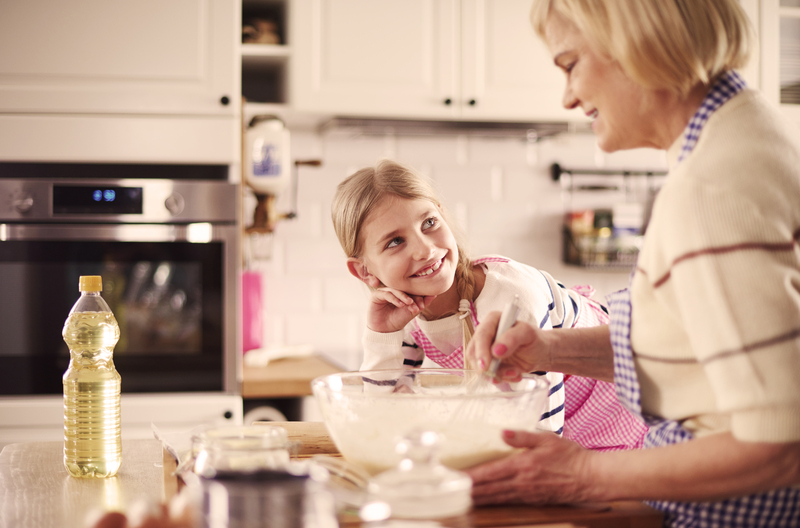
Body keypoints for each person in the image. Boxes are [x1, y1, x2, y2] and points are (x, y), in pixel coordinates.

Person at [464, 0, 800, 526]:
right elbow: (699, 347)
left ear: (638, 41)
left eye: (571, 63)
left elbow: (780, 443)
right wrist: (546, 349)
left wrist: (583, 475)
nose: (569, 97)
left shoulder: (710, 190)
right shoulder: (748, 132)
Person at [331, 158, 647, 450]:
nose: (425, 249)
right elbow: (379, 419)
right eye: (395, 242)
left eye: (429, 223)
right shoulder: (404, 311)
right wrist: (380, 334)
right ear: (364, 271)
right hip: (564, 431)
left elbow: (538, 438)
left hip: (624, 416)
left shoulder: (512, 298)